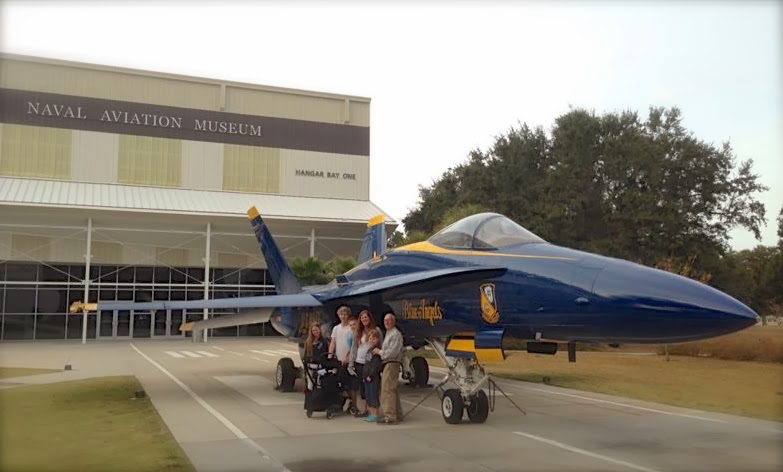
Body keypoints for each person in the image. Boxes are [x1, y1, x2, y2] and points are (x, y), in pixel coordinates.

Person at [349, 309, 384, 417]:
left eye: (366, 317)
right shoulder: (358, 331)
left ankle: (374, 411)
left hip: (370, 363)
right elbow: (353, 347)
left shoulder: (376, 330)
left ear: (370, 318)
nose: (364, 319)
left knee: (373, 387)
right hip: (359, 362)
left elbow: (381, 345)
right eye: (362, 318)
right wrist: (351, 362)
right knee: (363, 388)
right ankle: (365, 410)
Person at [373, 311, 404, 424]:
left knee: (387, 389)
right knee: (392, 389)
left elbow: (392, 352)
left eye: (389, 320)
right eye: (385, 321)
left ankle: (390, 415)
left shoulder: (395, 334)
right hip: (388, 363)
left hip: (391, 362)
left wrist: (379, 352)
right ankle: (397, 414)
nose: (387, 322)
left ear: (394, 322)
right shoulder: (389, 333)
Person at [362, 329, 383, 422]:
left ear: (377, 340)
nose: (371, 340)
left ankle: (375, 413)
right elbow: (367, 363)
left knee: (373, 395)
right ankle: (371, 413)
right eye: (370, 338)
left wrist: (371, 375)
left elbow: (376, 365)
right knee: (368, 395)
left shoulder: (376, 352)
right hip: (366, 377)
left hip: (373, 377)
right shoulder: (368, 351)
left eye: (373, 339)